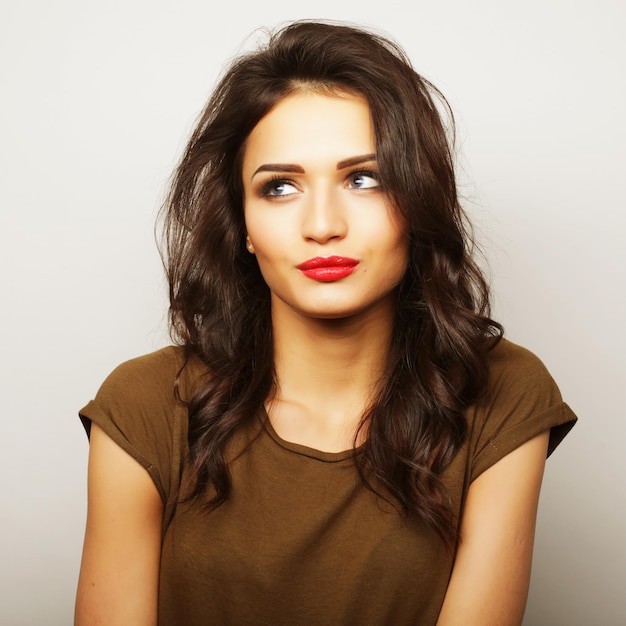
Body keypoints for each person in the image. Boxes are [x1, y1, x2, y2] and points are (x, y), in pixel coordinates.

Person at [74, 19, 577, 626]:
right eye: (280, 187)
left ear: (415, 202)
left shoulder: (502, 392)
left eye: (363, 179)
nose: (322, 224)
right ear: (245, 229)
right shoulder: (146, 405)